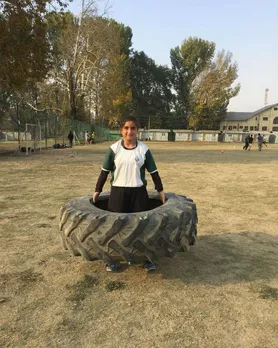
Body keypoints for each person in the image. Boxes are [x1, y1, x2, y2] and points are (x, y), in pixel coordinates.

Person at [93, 116, 165, 272]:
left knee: (143, 227)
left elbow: (154, 172)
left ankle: (147, 259)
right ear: (121, 131)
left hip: (138, 193)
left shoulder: (144, 150)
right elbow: (104, 172)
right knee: (115, 227)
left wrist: (160, 191)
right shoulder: (114, 149)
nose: (129, 131)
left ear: (137, 131)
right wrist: (97, 190)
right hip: (118, 192)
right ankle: (112, 260)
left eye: (133, 128)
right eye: (126, 128)